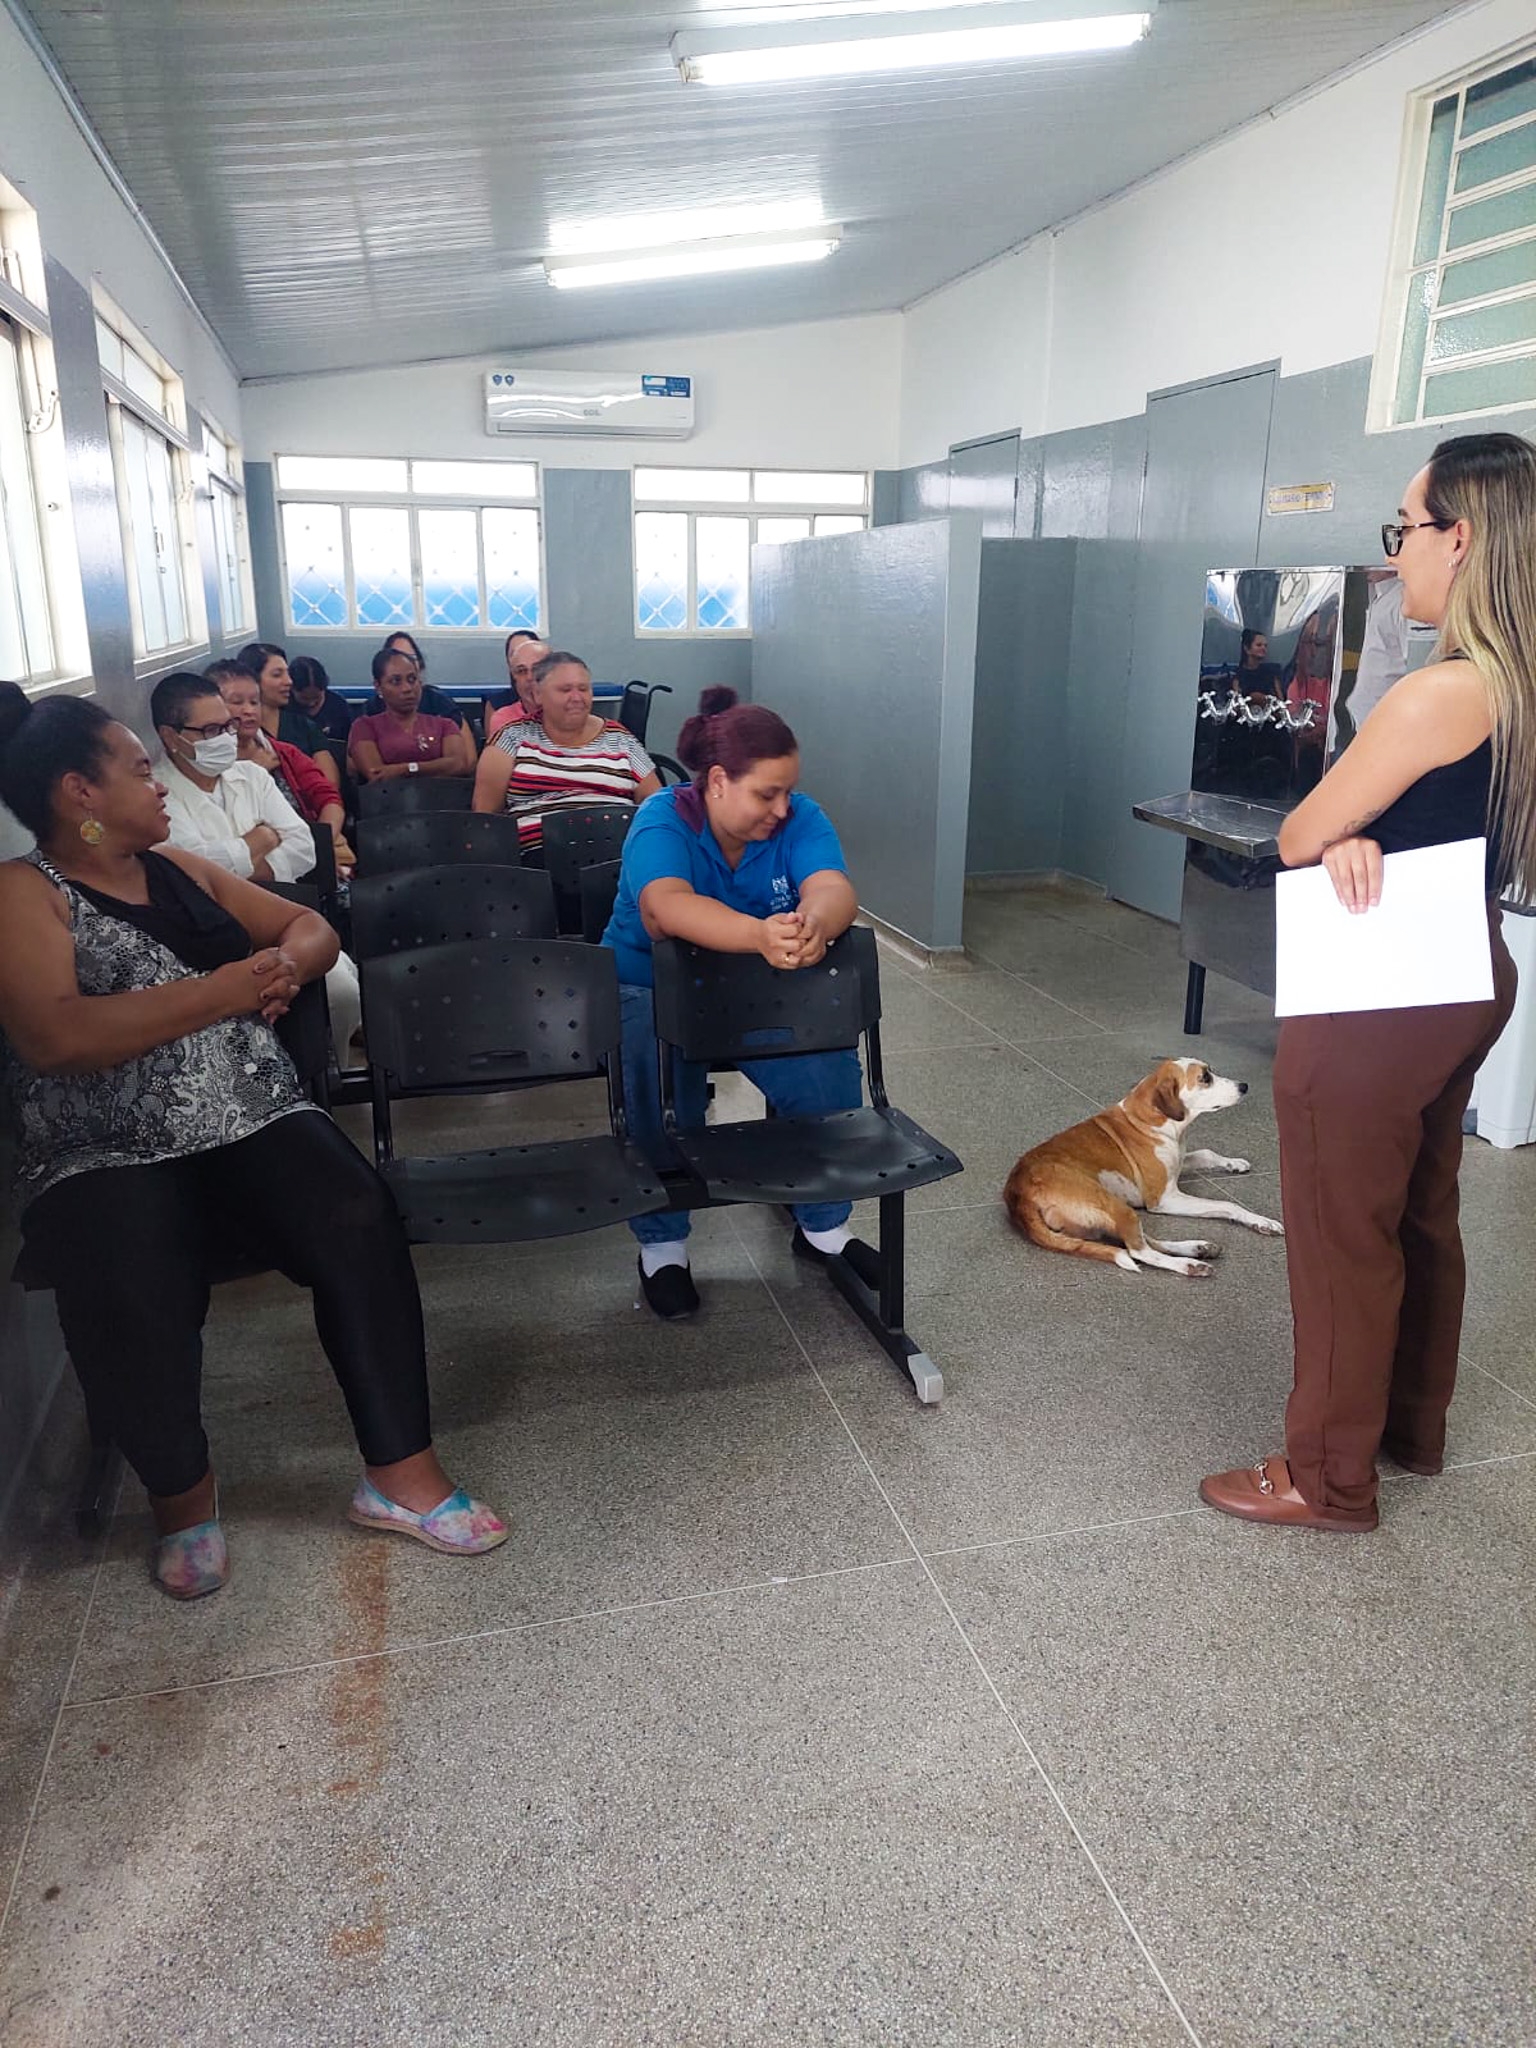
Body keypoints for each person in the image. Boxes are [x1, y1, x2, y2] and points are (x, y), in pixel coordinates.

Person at [0, 692, 506, 1599]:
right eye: (139, 770)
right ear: (80, 792)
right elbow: (55, 1037)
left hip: (247, 1106)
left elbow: (308, 925)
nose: (160, 784)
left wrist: (289, 964)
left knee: (355, 1209)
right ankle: (182, 1499)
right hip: (102, 1141)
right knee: (127, 1261)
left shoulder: (178, 867)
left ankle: (399, 1474)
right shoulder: (24, 893)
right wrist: (230, 989)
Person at [1201, 431, 1533, 1534]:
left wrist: (1341, 831)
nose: (1395, 555)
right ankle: (1410, 1429)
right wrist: (1364, 832)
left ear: (1462, 538)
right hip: (1468, 967)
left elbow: (1300, 831)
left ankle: (1327, 1479)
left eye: (1407, 528)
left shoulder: (1439, 693)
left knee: (1343, 1236)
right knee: (1420, 1211)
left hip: (1381, 994)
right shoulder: (1520, 686)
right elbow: (1413, 821)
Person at [602, 685, 875, 1319]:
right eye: (767, 794)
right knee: (657, 1090)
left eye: (787, 792)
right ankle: (663, 1245)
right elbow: (665, 908)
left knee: (827, 1072)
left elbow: (833, 887)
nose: (782, 808)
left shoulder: (800, 816)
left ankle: (823, 1225)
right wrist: (759, 935)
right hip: (651, 984)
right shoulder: (663, 818)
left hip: (756, 986)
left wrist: (815, 922)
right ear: (719, 781)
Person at [154, 672, 363, 1057]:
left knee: (343, 994)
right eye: (211, 730)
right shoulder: (159, 795)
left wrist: (232, 867)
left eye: (227, 727)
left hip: (284, 926)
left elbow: (303, 846)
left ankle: (329, 1070)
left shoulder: (251, 776)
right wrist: (262, 839)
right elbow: (190, 872)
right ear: (171, 737)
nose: (225, 738)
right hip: (208, 945)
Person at [472, 651, 658, 860]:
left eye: (583, 689)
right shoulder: (511, 738)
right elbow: (485, 814)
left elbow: (655, 801)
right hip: (539, 860)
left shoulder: (621, 738)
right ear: (538, 694)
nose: (577, 698)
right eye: (565, 690)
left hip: (618, 858)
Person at [207, 659, 355, 875]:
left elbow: (328, 797)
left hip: (308, 855)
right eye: (237, 702)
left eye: (255, 702)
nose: (249, 710)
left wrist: (319, 846)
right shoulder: (209, 767)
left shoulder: (284, 752)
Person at [348, 646, 477, 784]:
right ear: (378, 687)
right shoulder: (364, 727)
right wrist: (435, 767)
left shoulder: (445, 725)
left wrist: (405, 769)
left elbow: (458, 764)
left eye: (412, 679)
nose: (407, 688)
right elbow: (376, 774)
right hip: (387, 797)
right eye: (396, 681)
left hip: (440, 797)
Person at [238, 641, 342, 792]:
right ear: (252, 679)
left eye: (287, 674)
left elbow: (329, 786)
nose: (288, 681)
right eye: (277, 675)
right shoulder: (238, 733)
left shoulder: (304, 726)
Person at [365, 630, 465, 724]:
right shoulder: (370, 711)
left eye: (411, 658)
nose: (405, 663)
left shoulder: (438, 701)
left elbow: (462, 735)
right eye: (398, 658)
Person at [485, 631, 549, 739]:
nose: (530, 677)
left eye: (536, 668)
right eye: (522, 670)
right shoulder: (503, 717)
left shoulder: (567, 707)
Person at [289, 653, 355, 751]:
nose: (311, 703)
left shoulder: (338, 705)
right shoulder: (283, 707)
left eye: (317, 698)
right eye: (304, 698)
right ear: (291, 688)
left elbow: (352, 743)